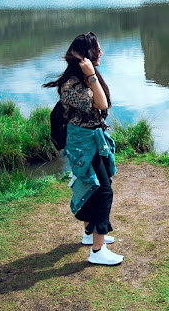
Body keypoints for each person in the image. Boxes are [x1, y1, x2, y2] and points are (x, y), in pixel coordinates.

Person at [43, 32, 123, 266]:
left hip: (92, 138)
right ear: (87, 54)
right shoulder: (72, 84)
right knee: (102, 192)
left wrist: (90, 75)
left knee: (97, 183)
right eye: (98, 49)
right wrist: (91, 75)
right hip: (82, 143)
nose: (101, 53)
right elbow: (102, 104)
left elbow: (103, 106)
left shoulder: (83, 78)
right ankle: (97, 251)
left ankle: (90, 233)